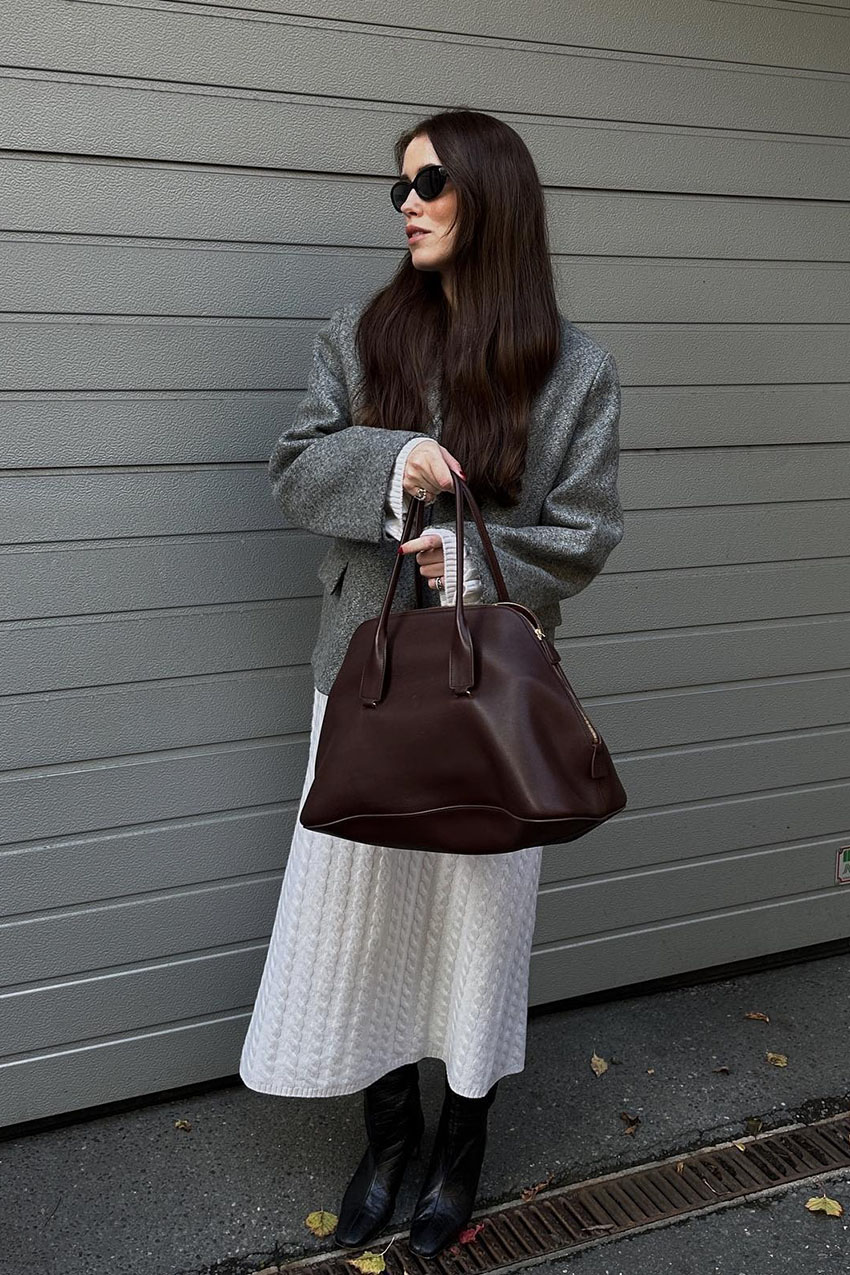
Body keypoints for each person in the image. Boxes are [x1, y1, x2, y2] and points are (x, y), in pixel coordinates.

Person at [238, 106, 625, 1259]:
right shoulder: (362, 334)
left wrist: (475, 565)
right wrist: (385, 457)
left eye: (431, 181)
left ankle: (460, 1144)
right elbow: (293, 468)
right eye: (399, 185)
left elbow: (588, 528)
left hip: (491, 695)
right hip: (359, 680)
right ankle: (387, 1137)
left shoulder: (575, 368)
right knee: (358, 918)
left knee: (477, 926)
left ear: (492, 194)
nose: (407, 201)